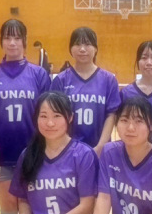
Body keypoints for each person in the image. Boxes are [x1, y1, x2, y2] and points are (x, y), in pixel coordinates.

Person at [0, 19, 50, 214]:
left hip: (34, 151)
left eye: (17, 38)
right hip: (1, 153)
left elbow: (47, 114)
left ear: (25, 41)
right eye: (7, 38)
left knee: (31, 202)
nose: (12, 43)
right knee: (9, 204)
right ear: (1, 41)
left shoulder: (39, 74)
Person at [50, 27, 120, 155]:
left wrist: (101, 146)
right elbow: (55, 116)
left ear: (96, 49)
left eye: (87, 44)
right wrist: (66, 146)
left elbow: (111, 115)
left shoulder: (109, 80)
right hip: (68, 150)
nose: (82, 49)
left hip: (100, 150)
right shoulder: (61, 80)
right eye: (77, 44)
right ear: (70, 49)